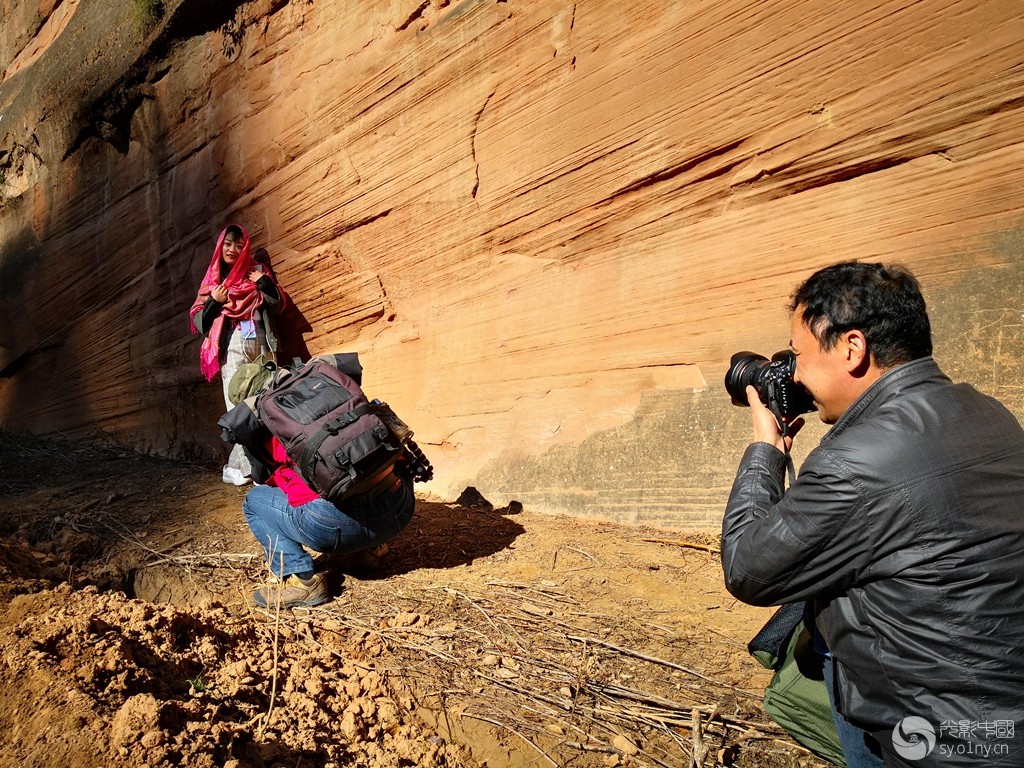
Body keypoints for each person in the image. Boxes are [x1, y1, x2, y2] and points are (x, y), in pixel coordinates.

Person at [721, 261, 1024, 767]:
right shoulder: (989, 412)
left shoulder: (856, 463)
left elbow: (748, 569)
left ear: (852, 348)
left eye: (798, 355)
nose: (794, 373)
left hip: (936, 735)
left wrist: (765, 450)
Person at [242, 434, 415, 608]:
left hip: (333, 529)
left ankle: (302, 580)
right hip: (398, 513)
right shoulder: (351, 414)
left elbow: (267, 476)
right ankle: (368, 550)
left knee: (254, 500)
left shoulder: (278, 426)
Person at [189, 224, 286, 485]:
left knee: (266, 399)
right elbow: (200, 322)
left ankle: (252, 466)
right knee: (238, 404)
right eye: (228, 244)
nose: (233, 250)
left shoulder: (257, 271)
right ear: (220, 247)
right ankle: (251, 469)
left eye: (239, 245)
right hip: (231, 343)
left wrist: (263, 282)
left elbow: (278, 305)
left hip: (262, 342)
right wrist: (214, 301)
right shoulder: (213, 280)